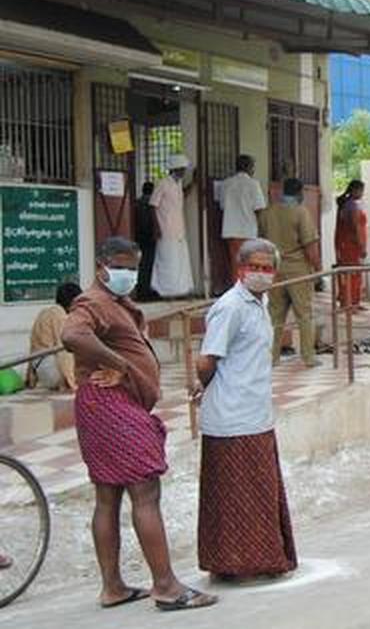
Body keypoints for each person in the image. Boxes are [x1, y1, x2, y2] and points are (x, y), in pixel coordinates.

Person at [61, 237, 216, 612]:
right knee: (144, 492)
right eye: (121, 266)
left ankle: (113, 586)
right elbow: (71, 335)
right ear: (101, 267)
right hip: (111, 407)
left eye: (133, 267)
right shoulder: (92, 302)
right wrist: (121, 364)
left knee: (108, 495)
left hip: (110, 405)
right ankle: (165, 585)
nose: (128, 274)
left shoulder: (116, 303)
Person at [193, 239, 297, 582]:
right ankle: (233, 565)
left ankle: (261, 560)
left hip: (255, 412)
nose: (262, 274)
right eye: (255, 267)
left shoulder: (260, 302)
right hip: (231, 415)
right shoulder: (231, 306)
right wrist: (204, 386)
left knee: (258, 492)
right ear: (240, 269)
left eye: (268, 268)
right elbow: (207, 359)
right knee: (235, 496)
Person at [259, 178, 321, 367]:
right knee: (304, 313)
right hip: (298, 269)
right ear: (300, 193)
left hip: (274, 268)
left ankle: (271, 357)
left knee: (274, 315)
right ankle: (308, 357)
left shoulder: (267, 213)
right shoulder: (301, 212)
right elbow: (310, 245)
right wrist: (318, 269)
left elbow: (261, 242)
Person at [149, 154, 194, 298]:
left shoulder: (178, 184)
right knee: (167, 261)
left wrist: (194, 182)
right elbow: (152, 205)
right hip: (165, 229)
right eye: (182, 169)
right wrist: (156, 227)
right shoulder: (163, 183)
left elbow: (182, 195)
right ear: (176, 169)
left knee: (179, 262)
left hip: (179, 229)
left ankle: (179, 291)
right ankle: (165, 291)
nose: (184, 172)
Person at [220, 155, 266, 289]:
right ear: (249, 167)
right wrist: (263, 229)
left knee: (235, 263)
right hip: (247, 230)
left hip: (231, 230)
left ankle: (237, 290)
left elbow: (223, 206)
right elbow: (259, 209)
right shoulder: (253, 184)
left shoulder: (226, 184)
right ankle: (248, 289)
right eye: (253, 167)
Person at [25, 282, 82, 391]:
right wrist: (72, 382)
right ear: (74, 301)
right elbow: (64, 351)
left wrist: (30, 379)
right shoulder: (59, 314)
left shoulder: (45, 312)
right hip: (50, 370)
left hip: (40, 368)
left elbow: (32, 348)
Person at [335, 180, 368, 311]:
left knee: (354, 273)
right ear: (355, 190)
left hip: (346, 244)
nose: (362, 193)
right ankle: (349, 303)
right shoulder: (351, 206)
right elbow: (356, 228)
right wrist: (362, 246)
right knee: (351, 273)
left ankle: (354, 301)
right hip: (351, 245)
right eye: (361, 190)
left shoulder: (347, 204)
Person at [133, 181, 157, 301]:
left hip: (138, 237)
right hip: (149, 237)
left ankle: (140, 290)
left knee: (140, 265)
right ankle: (145, 292)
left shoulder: (137, 202)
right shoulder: (150, 203)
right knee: (147, 266)